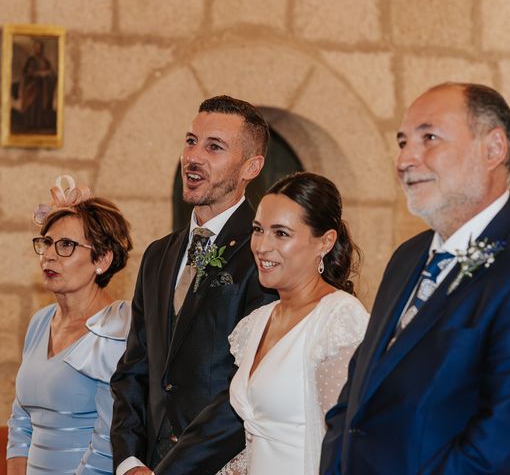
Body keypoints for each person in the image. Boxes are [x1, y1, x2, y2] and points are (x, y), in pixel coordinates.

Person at [320, 82, 510, 474]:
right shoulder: (407, 257)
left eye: (429, 137)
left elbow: (504, 446)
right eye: (402, 142)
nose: (405, 160)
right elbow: (357, 395)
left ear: (493, 149)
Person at [110, 95, 277, 475]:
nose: (193, 157)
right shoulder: (157, 255)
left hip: (219, 464)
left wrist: (177, 467)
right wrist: (130, 460)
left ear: (251, 166)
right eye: (190, 141)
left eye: (214, 146)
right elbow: (134, 369)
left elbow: (249, 383)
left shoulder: (263, 255)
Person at [219, 172, 368, 475]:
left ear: (325, 242)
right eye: (258, 230)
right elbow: (257, 444)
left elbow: (345, 446)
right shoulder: (256, 323)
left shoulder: (337, 320)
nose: (262, 246)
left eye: (281, 233)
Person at [7, 177, 133, 474]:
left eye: (66, 245)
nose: (49, 255)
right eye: (47, 242)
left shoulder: (117, 326)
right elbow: (21, 423)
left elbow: (108, 442)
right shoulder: (40, 322)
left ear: (101, 259)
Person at [17, 39, 57, 133]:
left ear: (42, 49)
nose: (38, 50)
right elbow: (26, 73)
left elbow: (52, 73)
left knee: (41, 106)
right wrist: (40, 74)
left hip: (43, 88)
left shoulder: (45, 61)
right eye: (36, 48)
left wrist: (49, 74)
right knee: (32, 106)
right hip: (32, 88)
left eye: (40, 48)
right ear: (34, 49)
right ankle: (30, 125)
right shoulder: (31, 60)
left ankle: (40, 124)